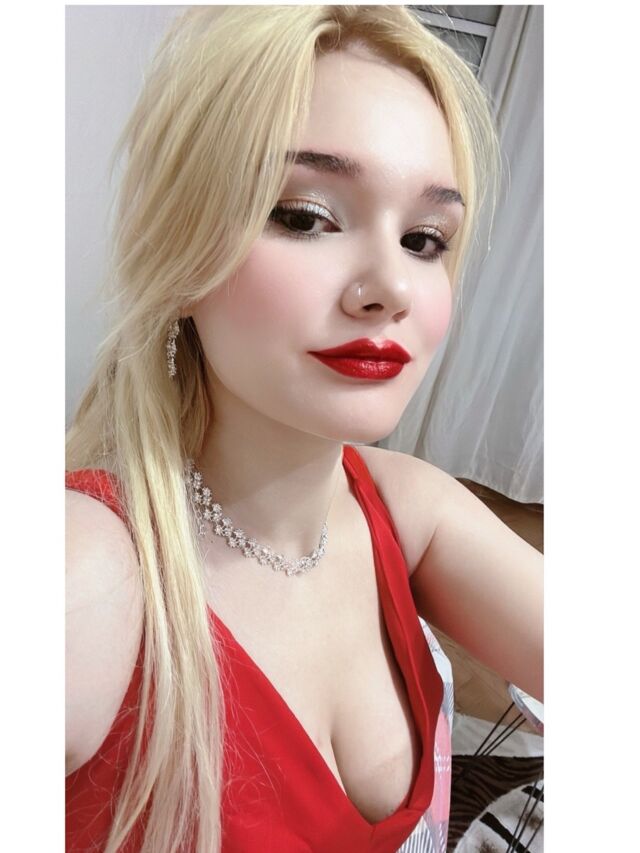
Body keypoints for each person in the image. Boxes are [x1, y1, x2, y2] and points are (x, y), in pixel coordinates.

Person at [65, 6, 543, 852]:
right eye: (305, 215)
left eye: (425, 238)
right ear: (183, 248)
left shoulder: (409, 507)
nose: (390, 286)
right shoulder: (93, 570)